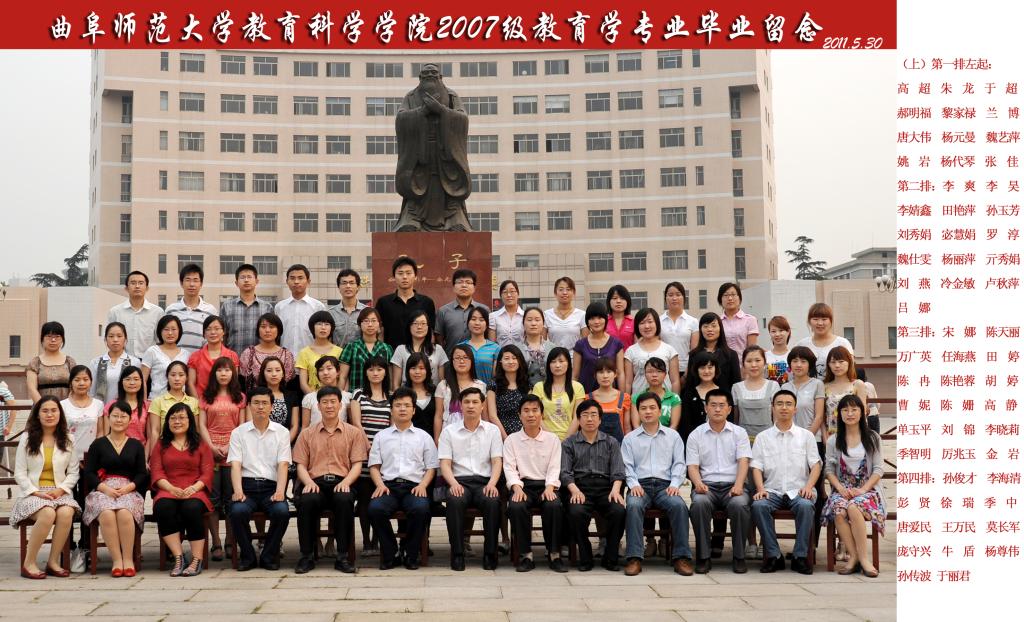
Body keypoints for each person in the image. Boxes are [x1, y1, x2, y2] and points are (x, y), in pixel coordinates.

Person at [292, 386, 369, 574]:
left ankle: (342, 556)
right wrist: (308, 483)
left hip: (342, 481)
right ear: (318, 406)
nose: (329, 406)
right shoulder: (307, 434)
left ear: (340, 405)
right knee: (307, 501)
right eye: (325, 402)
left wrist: (346, 482)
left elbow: (357, 464)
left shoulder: (353, 433)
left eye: (333, 402)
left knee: (344, 500)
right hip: (315, 482)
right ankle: (306, 556)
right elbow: (300, 465)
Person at [621, 392, 694, 577]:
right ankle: (634, 558)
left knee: (679, 506)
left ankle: (681, 557)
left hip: (665, 486)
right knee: (633, 506)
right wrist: (633, 484)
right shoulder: (630, 438)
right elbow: (627, 466)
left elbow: (679, 463)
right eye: (643, 408)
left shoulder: (673, 436)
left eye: (652, 408)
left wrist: (675, 484)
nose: (648, 412)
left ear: (660, 411)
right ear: (638, 412)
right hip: (640, 485)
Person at [394, 62, 472, 232]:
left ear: (440, 77)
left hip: (445, 151)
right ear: (420, 77)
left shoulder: (451, 96)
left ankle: (454, 218)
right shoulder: (410, 97)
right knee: (418, 183)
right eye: (426, 73)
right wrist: (421, 111)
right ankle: (412, 218)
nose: (430, 75)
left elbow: (462, 119)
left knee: (449, 185)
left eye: (433, 73)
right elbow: (401, 119)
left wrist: (441, 110)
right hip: (420, 152)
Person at [750, 390, 821, 575]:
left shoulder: (806, 436)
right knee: (758, 506)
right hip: (771, 490)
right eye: (779, 403)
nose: (784, 407)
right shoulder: (763, 437)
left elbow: (816, 465)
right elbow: (756, 466)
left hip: (799, 490)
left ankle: (800, 556)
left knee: (805, 506)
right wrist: (760, 488)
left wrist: (809, 487)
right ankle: (774, 556)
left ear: (795, 409)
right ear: (772, 408)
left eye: (789, 404)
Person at [367, 387, 438, 570]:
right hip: (388, 487)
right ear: (391, 410)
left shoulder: (424, 437)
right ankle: (391, 553)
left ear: (413, 410)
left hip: (414, 487)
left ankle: (410, 552)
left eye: (407, 405)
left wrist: (423, 485)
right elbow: (374, 466)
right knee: (375, 509)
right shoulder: (381, 437)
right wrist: (379, 485)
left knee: (421, 509)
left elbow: (431, 467)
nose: (402, 409)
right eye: (398, 405)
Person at [12, 397, 80, 579]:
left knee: (66, 512)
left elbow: (73, 473)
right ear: (37, 414)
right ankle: (29, 563)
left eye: (54, 410)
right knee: (48, 513)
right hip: (32, 493)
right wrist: (36, 492)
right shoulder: (27, 438)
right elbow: (19, 473)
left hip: (58, 491)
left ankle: (53, 562)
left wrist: (61, 490)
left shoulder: (68, 439)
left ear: (60, 413)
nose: (50, 414)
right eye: (45, 411)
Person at [685, 389, 752, 574]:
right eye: (713, 405)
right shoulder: (695, 435)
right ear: (706, 408)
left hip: (733, 486)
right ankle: (703, 556)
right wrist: (698, 483)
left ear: (729, 409)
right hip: (707, 487)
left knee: (740, 505)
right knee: (699, 504)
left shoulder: (739, 433)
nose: (717, 409)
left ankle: (739, 556)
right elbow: (692, 466)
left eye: (722, 405)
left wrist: (739, 485)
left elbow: (744, 462)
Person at [227, 386, 292, 572]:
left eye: (265, 403)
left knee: (282, 512)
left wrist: (280, 492)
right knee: (237, 511)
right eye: (256, 403)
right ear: (249, 405)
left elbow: (283, 465)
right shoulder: (238, 433)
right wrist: (238, 491)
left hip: (271, 487)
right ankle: (247, 556)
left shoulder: (282, 432)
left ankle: (268, 556)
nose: (260, 407)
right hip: (246, 486)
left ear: (272, 406)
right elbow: (235, 465)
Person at [439, 387, 503, 570]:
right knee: (454, 499)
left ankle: (490, 554)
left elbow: (497, 461)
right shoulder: (449, 431)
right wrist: (453, 484)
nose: (471, 406)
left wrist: (492, 484)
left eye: (475, 402)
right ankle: (457, 554)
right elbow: (445, 463)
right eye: (466, 402)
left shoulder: (492, 431)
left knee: (492, 501)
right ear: (460, 405)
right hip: (460, 482)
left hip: (485, 482)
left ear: (483, 406)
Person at [82, 401, 147, 576]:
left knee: (125, 512)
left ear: (130, 420)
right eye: (115, 416)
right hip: (103, 489)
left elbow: (142, 474)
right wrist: (104, 488)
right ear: (108, 418)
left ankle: (128, 559)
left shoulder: (136, 445)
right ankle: (117, 560)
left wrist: (129, 488)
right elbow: (89, 472)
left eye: (123, 416)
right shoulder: (98, 444)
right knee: (107, 513)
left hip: (128, 489)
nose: (119, 420)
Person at [822, 394, 884, 577]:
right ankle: (854, 557)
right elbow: (829, 470)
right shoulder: (834, 440)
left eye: (854, 409)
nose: (850, 413)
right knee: (839, 511)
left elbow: (878, 469)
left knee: (853, 507)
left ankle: (864, 559)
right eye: (845, 410)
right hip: (842, 489)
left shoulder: (872, 438)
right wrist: (840, 489)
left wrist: (863, 489)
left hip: (868, 490)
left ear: (862, 412)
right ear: (839, 414)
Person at [503, 394, 567, 572]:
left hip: (547, 485)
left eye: (535, 410)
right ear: (519, 415)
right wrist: (516, 488)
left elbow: (555, 467)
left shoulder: (552, 439)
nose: (530, 414)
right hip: (523, 485)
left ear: (542, 414)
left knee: (554, 505)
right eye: (526, 411)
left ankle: (554, 554)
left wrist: (550, 487)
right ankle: (526, 555)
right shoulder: (511, 440)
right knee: (516, 506)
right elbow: (509, 468)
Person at [561, 399, 627, 572]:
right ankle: (585, 555)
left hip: (606, 488)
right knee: (575, 512)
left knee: (619, 511)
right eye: (585, 415)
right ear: (578, 419)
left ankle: (610, 557)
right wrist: (574, 490)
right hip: (580, 487)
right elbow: (565, 472)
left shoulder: (611, 442)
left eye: (593, 415)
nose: (589, 419)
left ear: (600, 419)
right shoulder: (569, 443)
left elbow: (618, 470)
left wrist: (616, 490)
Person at [150, 402, 214, 577]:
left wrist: (194, 488)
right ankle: (178, 557)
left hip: (195, 490)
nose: (177, 421)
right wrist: (171, 488)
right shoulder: (161, 444)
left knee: (191, 508)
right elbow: (157, 471)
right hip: (168, 488)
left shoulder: (200, 444)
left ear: (190, 420)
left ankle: (196, 559)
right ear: (167, 422)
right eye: (173, 418)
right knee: (163, 507)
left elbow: (207, 472)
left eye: (181, 417)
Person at [198, 357, 246, 561]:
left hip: (233, 451)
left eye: (227, 370)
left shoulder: (240, 397)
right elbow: (201, 425)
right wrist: (211, 446)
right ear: (214, 373)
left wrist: (228, 446)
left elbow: (242, 426)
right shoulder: (205, 397)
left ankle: (230, 541)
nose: (224, 374)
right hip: (210, 452)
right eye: (220, 370)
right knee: (213, 499)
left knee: (231, 498)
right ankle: (216, 542)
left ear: (233, 373)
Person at [62, 365, 104, 572]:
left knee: (88, 504)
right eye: (77, 379)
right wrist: (73, 459)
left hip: (91, 462)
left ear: (91, 382)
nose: (81, 383)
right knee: (68, 504)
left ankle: (87, 546)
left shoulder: (98, 404)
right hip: (67, 463)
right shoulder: (62, 405)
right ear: (71, 382)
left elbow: (101, 432)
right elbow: (60, 434)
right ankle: (67, 547)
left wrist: (92, 458)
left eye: (85, 379)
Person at [350, 356, 393, 556]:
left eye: (379, 369)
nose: (375, 373)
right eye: (371, 369)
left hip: (384, 454)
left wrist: (381, 448)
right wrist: (367, 445)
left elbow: (392, 426)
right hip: (363, 451)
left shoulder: (391, 396)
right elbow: (356, 423)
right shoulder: (358, 394)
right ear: (366, 372)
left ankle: (378, 540)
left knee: (379, 497)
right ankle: (367, 542)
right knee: (365, 499)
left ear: (385, 372)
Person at [375, 257, 436, 350]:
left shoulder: (426, 302)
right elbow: (380, 331)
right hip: (391, 354)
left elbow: (431, 332)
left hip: (419, 355)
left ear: (415, 276)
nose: (404, 277)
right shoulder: (383, 303)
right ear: (394, 277)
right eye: (400, 273)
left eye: (408, 273)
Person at [434, 343, 487, 443]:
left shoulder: (480, 386)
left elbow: (484, 415)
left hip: (475, 435)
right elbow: (438, 416)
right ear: (452, 361)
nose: (461, 361)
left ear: (472, 361)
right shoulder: (443, 386)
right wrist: (437, 440)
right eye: (457, 358)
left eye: (465, 358)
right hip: (450, 435)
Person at [623, 308, 681, 397]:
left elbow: (675, 381)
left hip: (665, 401)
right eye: (642, 323)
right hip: (639, 401)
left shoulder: (669, 350)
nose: (647, 326)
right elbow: (628, 382)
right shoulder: (630, 351)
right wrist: (626, 402)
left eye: (650, 322)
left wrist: (675, 401)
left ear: (657, 324)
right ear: (637, 326)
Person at [164, 263, 218, 356]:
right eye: (188, 280)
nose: (192, 284)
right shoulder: (171, 310)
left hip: (201, 360)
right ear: (181, 283)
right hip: (176, 360)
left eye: (195, 280)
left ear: (201, 284)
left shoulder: (211, 311)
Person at [219, 264, 274, 354]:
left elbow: (272, 336)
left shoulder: (267, 307)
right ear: (236, 283)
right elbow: (222, 335)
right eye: (242, 277)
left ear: (256, 281)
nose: (246, 280)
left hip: (260, 360)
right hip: (233, 360)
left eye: (249, 277)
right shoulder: (227, 306)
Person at [532, 347, 585, 442]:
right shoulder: (539, 387)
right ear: (548, 365)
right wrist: (552, 440)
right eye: (553, 362)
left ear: (568, 363)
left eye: (561, 361)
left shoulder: (577, 387)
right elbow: (536, 416)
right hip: (544, 439)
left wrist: (565, 441)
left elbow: (577, 417)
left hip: (570, 440)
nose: (557, 365)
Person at [147, 361, 199, 457]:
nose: (177, 379)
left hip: (188, 450)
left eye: (181, 375)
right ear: (167, 377)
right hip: (165, 448)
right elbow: (155, 431)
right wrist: (154, 456)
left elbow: (196, 430)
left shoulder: (194, 402)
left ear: (187, 377)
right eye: (173, 375)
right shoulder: (158, 401)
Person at [107, 270, 162, 360]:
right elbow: (109, 338)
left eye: (141, 283)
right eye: (133, 283)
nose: (137, 286)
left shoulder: (157, 312)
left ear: (147, 288)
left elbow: (160, 340)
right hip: (123, 361)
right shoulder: (115, 312)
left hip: (149, 362)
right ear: (126, 288)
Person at [732, 346, 782, 443]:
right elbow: (735, 419)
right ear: (743, 364)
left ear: (765, 363)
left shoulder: (773, 386)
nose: (753, 365)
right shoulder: (736, 387)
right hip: (743, 441)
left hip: (768, 440)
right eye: (749, 361)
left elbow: (777, 418)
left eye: (758, 360)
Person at [573, 302, 625, 393]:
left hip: (611, 396)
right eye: (592, 318)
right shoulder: (580, 345)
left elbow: (620, 373)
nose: (596, 322)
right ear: (587, 322)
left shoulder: (616, 344)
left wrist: (623, 397)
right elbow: (575, 375)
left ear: (605, 319)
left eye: (600, 318)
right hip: (585, 395)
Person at [275, 264, 326, 356]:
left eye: (300, 278)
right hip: (284, 358)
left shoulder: (318, 307)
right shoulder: (279, 307)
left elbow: (324, 335)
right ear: (287, 281)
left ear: (308, 281)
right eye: (292, 278)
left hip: (311, 358)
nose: (296, 281)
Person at [238, 313, 296, 393]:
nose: (267, 330)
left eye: (271, 327)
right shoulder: (248, 353)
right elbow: (242, 381)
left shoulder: (287, 355)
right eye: (263, 327)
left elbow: (290, 384)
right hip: (255, 398)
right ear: (258, 330)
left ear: (279, 330)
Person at [391, 309, 448, 390]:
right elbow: (396, 384)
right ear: (409, 326)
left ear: (428, 327)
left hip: (433, 394)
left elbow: (442, 381)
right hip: (407, 394)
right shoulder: (401, 350)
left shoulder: (438, 349)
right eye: (415, 323)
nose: (419, 327)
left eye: (423, 323)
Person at [339, 307, 394, 392]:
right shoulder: (351, 347)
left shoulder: (387, 349)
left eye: (373, 321)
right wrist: (340, 395)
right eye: (366, 321)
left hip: (381, 396)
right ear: (360, 324)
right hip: (355, 395)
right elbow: (343, 376)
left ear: (379, 324)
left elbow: (390, 378)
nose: (370, 324)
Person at [794, 303, 855, 378]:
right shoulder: (802, 345)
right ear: (809, 321)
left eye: (824, 319)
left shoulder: (842, 343)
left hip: (834, 385)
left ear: (831, 321)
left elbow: (851, 371)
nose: (820, 323)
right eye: (815, 319)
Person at [435, 268, 488, 353]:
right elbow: (439, 339)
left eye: (468, 282)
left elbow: (488, 335)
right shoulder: (443, 311)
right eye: (460, 282)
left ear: (474, 287)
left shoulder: (484, 310)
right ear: (453, 287)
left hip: (479, 358)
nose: (464, 285)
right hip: (451, 359)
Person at [88, 322, 142, 404]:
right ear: (105, 339)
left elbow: (138, 389)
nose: (115, 340)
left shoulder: (134, 362)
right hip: (101, 408)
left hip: (125, 408)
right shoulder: (96, 362)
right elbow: (91, 391)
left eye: (119, 336)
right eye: (111, 336)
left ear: (125, 339)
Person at [187, 316, 239, 399]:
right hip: (201, 401)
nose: (213, 332)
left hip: (226, 402)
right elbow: (191, 383)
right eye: (208, 329)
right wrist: (198, 403)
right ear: (204, 334)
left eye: (217, 328)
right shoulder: (195, 356)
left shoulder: (232, 356)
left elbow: (234, 381)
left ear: (223, 332)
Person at [823, 347, 869, 439]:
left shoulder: (858, 384)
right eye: (833, 362)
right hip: (832, 436)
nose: (837, 365)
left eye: (841, 361)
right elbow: (822, 416)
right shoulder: (824, 387)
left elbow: (862, 413)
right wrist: (825, 437)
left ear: (849, 362)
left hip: (854, 436)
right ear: (828, 365)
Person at [689, 313, 742, 390]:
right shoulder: (694, 354)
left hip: (724, 396)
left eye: (714, 326)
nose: (710, 329)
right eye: (706, 326)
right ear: (700, 329)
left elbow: (736, 383)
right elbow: (690, 384)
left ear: (720, 328)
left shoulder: (731, 355)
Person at [678, 351, 721, 446]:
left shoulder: (723, 393)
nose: (706, 371)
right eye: (702, 367)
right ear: (696, 370)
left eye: (710, 367)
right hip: (695, 444)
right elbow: (686, 424)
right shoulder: (688, 394)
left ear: (716, 369)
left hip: (720, 443)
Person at [255, 357, 301, 444]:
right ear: (263, 373)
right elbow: (251, 422)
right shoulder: (255, 395)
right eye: (269, 371)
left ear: (283, 373)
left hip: (285, 442)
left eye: (277, 370)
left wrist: (284, 444)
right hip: (259, 442)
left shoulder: (292, 396)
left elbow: (294, 426)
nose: (274, 374)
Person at [142, 315, 190, 399]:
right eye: (166, 329)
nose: (170, 333)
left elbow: (189, 383)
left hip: (180, 403)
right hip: (156, 401)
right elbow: (143, 380)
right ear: (160, 331)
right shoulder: (152, 351)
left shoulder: (186, 354)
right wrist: (144, 402)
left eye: (174, 329)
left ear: (179, 331)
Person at [487, 345, 530, 439]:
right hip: (502, 435)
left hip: (526, 435)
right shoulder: (493, 384)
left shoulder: (527, 384)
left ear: (520, 361)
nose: (511, 361)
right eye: (506, 358)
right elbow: (492, 416)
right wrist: (506, 438)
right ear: (500, 362)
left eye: (514, 358)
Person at [27, 322, 76, 402]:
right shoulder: (35, 363)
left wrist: (67, 406)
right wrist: (44, 406)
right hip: (41, 406)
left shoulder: (70, 362)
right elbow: (32, 389)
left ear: (62, 339)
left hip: (66, 407)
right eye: (49, 336)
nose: (53, 340)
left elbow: (75, 387)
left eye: (57, 336)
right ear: (42, 339)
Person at [296, 310, 343, 394]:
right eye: (319, 324)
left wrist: (337, 397)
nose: (323, 327)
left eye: (327, 324)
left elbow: (343, 378)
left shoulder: (339, 351)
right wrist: (314, 399)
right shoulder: (304, 352)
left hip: (335, 398)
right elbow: (303, 384)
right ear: (312, 327)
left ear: (331, 328)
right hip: (312, 397)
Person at [99, 366, 148, 446]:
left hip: (140, 449)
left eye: (136, 379)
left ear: (141, 382)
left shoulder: (147, 406)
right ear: (121, 382)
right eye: (128, 379)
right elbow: (106, 434)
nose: (132, 383)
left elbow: (150, 436)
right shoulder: (111, 405)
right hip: (115, 449)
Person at [629, 358, 681, 431]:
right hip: (642, 436)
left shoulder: (674, 398)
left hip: (667, 436)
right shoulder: (636, 398)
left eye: (659, 371)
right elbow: (636, 425)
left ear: (665, 374)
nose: (654, 375)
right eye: (650, 371)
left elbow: (674, 426)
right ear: (645, 374)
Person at [587, 357, 631, 441]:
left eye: (609, 371)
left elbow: (627, 427)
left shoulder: (624, 398)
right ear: (595, 375)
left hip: (618, 445)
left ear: (615, 374)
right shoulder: (588, 399)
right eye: (601, 372)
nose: (605, 376)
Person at [660, 282, 699, 373]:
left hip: (686, 369)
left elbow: (694, 351)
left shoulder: (693, 321)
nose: (674, 298)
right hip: (664, 370)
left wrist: (686, 374)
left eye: (678, 295)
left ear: (684, 298)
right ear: (665, 299)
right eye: (670, 295)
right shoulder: (658, 321)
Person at [301, 356, 350, 428]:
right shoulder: (309, 398)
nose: (325, 373)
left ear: (338, 372)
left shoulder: (347, 397)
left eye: (329, 368)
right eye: (321, 370)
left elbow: (353, 425)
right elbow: (305, 427)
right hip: (314, 435)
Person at [514, 307, 557, 387]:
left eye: (537, 320)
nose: (533, 323)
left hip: (548, 390)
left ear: (543, 323)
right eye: (529, 320)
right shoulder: (515, 349)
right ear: (523, 323)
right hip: (522, 391)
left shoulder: (553, 348)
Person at [718, 282, 759, 363]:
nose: (730, 298)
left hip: (743, 366)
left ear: (739, 298)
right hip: (722, 366)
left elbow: (752, 350)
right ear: (720, 300)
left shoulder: (750, 320)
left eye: (733, 294)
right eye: (726, 295)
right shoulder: (717, 322)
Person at [459, 306, 500, 385]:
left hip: (488, 390)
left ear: (487, 325)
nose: (477, 323)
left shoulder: (495, 348)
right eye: (473, 319)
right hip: (465, 390)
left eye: (481, 320)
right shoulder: (460, 347)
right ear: (468, 323)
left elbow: (496, 377)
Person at [329, 269, 369, 349]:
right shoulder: (331, 313)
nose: (348, 286)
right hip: (337, 356)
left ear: (358, 287)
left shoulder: (367, 312)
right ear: (339, 287)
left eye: (351, 283)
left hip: (360, 356)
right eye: (344, 283)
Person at [544, 277, 586, 350]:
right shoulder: (546, 314)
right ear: (555, 293)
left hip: (575, 355)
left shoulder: (582, 315)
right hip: (553, 356)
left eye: (568, 289)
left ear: (574, 293)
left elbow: (585, 342)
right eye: (561, 289)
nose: (565, 293)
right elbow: (542, 343)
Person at [404, 352, 437, 437]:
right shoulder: (403, 393)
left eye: (421, 368)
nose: (417, 372)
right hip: (409, 440)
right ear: (408, 371)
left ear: (427, 370)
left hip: (432, 441)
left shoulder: (436, 392)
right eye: (413, 368)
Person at [488, 279, 524, 346]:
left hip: (522, 352)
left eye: (512, 291)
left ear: (518, 294)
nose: (509, 295)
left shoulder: (525, 316)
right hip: (501, 352)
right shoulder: (493, 316)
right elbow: (492, 344)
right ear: (501, 296)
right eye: (505, 292)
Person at [606, 284, 635, 350]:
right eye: (615, 298)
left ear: (627, 301)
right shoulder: (603, 322)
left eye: (622, 298)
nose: (618, 301)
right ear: (609, 301)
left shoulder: (634, 322)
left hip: (628, 356)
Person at [765, 316, 793, 384]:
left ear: (788, 332)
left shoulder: (793, 356)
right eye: (773, 331)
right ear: (769, 333)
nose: (777, 334)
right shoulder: (764, 356)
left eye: (781, 330)